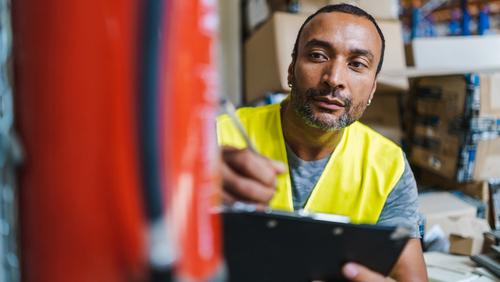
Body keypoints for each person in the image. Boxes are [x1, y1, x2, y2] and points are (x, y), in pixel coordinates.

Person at [218, 4, 427, 281]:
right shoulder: (217, 136)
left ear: (373, 87)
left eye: (357, 64)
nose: (334, 79)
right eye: (317, 56)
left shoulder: (389, 167)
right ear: (291, 69)